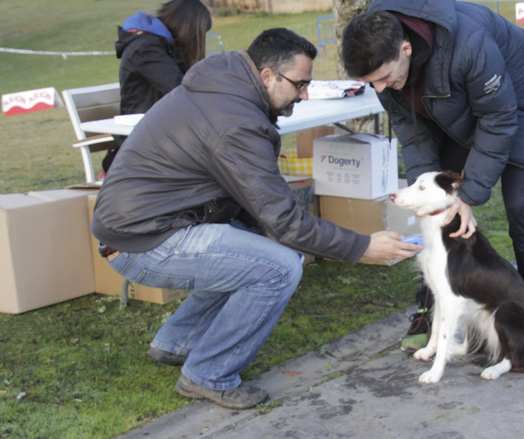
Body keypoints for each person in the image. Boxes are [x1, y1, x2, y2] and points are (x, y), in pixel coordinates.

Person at [91, 28, 421, 410]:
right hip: (142, 242)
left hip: (144, 226)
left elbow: (259, 205)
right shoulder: (235, 122)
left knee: (253, 252)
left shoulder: (226, 89)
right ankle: (208, 373)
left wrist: (271, 230)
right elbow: (284, 220)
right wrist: (362, 245)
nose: (305, 95)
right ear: (267, 76)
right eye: (300, 84)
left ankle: (176, 342)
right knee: (278, 267)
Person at [340, 0, 524, 355]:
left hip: (523, 101)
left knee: (520, 204)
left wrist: (469, 195)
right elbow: (414, 140)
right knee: (439, 209)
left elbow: (498, 119)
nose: (379, 90)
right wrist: (435, 199)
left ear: (405, 48)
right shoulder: (386, 70)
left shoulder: (468, 44)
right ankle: (431, 304)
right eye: (369, 83)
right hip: (461, 110)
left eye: (382, 78)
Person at [101, 0, 212, 173]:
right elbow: (179, 90)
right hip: (141, 146)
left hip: (156, 136)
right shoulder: (146, 48)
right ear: (189, 30)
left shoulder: (157, 45)